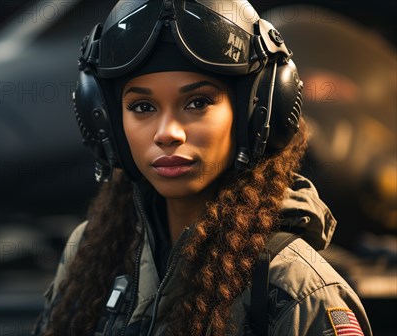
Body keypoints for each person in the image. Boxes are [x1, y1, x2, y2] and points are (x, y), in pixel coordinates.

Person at [34, 0, 372, 335]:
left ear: (254, 114)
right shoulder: (93, 252)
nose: (167, 133)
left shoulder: (300, 293)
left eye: (198, 102)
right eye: (142, 106)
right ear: (107, 122)